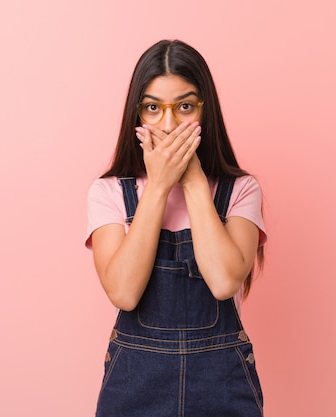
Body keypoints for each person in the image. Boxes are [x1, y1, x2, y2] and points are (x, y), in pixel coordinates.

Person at [85, 39, 267, 416]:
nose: (168, 125)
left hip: (221, 385)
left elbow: (223, 281)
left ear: (206, 111)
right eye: (153, 108)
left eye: (184, 107)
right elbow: (123, 292)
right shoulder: (108, 193)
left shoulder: (241, 190)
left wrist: (194, 181)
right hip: (135, 385)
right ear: (137, 115)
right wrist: (159, 186)